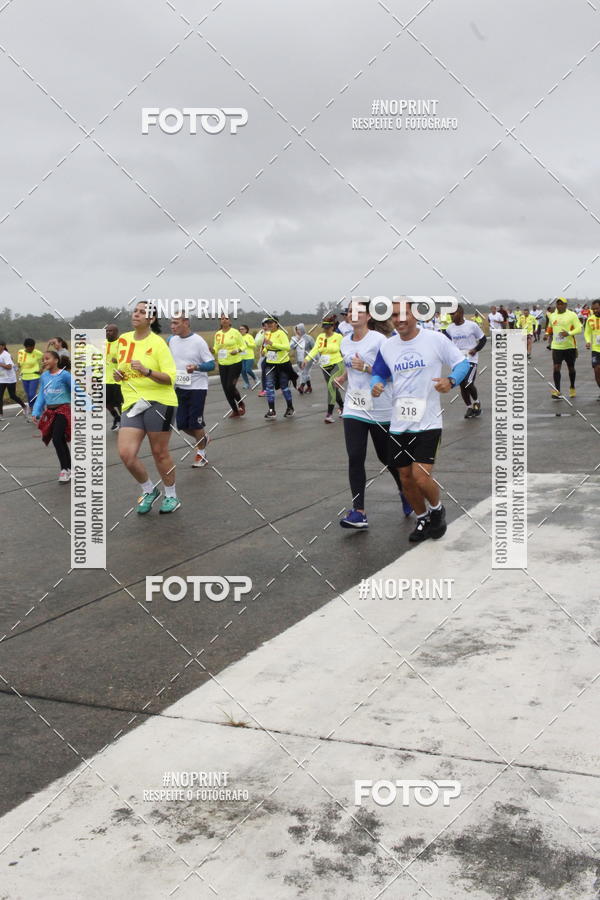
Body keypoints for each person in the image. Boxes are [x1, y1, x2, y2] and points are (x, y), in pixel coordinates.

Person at [371, 300, 471, 543]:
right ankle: (423, 517)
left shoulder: (434, 339)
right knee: (404, 476)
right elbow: (379, 371)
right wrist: (377, 383)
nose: (399, 319)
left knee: (420, 476)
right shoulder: (388, 346)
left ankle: (437, 509)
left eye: (404, 313)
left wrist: (451, 380)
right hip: (399, 422)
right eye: (395, 315)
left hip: (428, 421)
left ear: (416, 315)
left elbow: (462, 363)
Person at [336, 299, 411, 529]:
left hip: (380, 407)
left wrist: (367, 368)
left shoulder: (380, 340)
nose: (352, 314)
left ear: (368, 316)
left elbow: (391, 374)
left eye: (357, 311)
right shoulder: (344, 342)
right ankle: (359, 512)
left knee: (387, 458)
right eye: (349, 311)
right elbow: (351, 365)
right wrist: (344, 376)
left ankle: (406, 491)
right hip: (354, 406)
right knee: (355, 456)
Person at [114, 301, 180, 514]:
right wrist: (119, 375)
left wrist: (147, 371)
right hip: (132, 402)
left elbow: (170, 378)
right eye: (135, 310)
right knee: (126, 453)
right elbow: (122, 370)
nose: (137, 314)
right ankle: (149, 490)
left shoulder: (158, 343)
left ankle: (171, 495)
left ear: (151, 319)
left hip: (159, 401)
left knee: (159, 452)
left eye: (143, 312)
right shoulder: (123, 340)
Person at [169, 314, 215, 466]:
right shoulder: (171, 340)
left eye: (176, 323)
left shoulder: (198, 341)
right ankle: (204, 437)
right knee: (182, 424)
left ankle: (201, 454)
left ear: (186, 323)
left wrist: (197, 367)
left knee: (195, 424)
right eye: (171, 323)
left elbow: (211, 365)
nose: (172, 326)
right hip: (180, 386)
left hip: (197, 387)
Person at [30, 350, 73, 482]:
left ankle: (64, 470)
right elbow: (42, 396)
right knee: (59, 440)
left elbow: (77, 391)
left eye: (47, 358)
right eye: (43, 359)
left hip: (63, 410)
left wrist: (87, 407)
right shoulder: (44, 377)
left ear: (56, 360)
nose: (44, 361)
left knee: (56, 438)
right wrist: (36, 411)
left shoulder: (65, 375)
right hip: (50, 412)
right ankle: (70, 468)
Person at [445, 304, 486, 418]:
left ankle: (477, 402)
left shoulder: (472, 326)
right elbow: (446, 343)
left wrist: (475, 349)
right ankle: (469, 407)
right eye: (450, 314)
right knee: (462, 385)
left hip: (471, 359)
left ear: (461, 313)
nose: (452, 316)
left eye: (454, 313)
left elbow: (483, 339)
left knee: (468, 382)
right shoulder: (449, 328)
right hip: (457, 360)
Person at [302, 317, 344, 423]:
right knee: (333, 388)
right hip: (325, 366)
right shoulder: (320, 337)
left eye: (328, 328)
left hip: (337, 364)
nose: (325, 330)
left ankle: (329, 414)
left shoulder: (338, 337)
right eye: (324, 328)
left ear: (333, 327)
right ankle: (343, 407)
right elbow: (315, 349)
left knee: (331, 385)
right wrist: (306, 359)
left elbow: (345, 350)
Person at [544, 297, 582, 398]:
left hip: (570, 346)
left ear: (566, 305)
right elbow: (550, 327)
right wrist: (547, 334)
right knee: (556, 367)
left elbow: (579, 329)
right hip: (557, 346)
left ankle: (572, 387)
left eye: (561, 304)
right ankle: (557, 390)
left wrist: (568, 333)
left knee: (571, 368)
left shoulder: (572, 315)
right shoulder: (553, 315)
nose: (559, 306)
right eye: (558, 304)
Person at [259, 316, 295, 419]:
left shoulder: (281, 333)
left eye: (271, 322)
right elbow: (266, 347)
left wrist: (273, 343)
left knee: (284, 387)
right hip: (270, 363)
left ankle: (290, 407)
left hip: (282, 363)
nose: (269, 324)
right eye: (267, 323)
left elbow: (287, 347)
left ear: (276, 323)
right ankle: (271, 410)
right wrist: (264, 351)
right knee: (269, 386)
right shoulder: (267, 334)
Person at [213, 314, 246, 417]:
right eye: (222, 319)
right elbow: (216, 348)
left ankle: (240, 403)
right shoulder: (217, 334)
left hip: (235, 363)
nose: (224, 320)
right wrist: (211, 350)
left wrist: (237, 350)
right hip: (223, 364)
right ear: (220, 321)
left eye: (226, 318)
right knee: (225, 389)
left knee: (230, 386)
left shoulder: (235, 332)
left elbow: (243, 345)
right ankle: (235, 410)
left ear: (229, 320)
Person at [17, 338, 43, 419]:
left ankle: (36, 410)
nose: (32, 348)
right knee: (28, 395)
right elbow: (19, 363)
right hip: (24, 376)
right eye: (30, 347)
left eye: (33, 347)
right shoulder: (20, 352)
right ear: (25, 347)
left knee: (32, 394)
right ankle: (33, 410)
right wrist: (18, 366)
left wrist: (42, 369)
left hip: (34, 376)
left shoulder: (37, 353)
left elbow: (46, 360)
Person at [0, 341, 27, 418]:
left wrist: (0, 364)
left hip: (9, 379)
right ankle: (0, 414)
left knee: (12, 395)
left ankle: (24, 406)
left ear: (3, 346)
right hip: (1, 379)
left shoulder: (6, 355)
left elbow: (9, 367)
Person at [105, 324, 123, 431]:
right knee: (105, 402)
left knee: (120, 403)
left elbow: (128, 358)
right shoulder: (103, 344)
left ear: (116, 332)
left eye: (110, 331)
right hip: (105, 379)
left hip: (118, 379)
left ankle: (125, 422)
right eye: (107, 331)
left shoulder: (121, 343)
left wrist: (118, 360)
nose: (108, 333)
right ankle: (116, 417)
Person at [291, 323, 314, 394]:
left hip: (307, 358)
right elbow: (291, 347)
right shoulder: (295, 338)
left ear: (302, 329)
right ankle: (309, 387)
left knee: (304, 372)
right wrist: (296, 340)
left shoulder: (309, 338)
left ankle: (301, 386)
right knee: (303, 373)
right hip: (299, 359)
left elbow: (314, 348)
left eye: (298, 329)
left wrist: (316, 357)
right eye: (296, 330)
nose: (297, 331)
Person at [584, 298, 600, 399]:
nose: (595, 311)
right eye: (593, 309)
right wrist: (588, 342)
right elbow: (587, 332)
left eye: (597, 308)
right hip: (596, 350)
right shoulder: (590, 319)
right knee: (597, 370)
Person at [239, 325, 258, 389]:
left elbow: (254, 345)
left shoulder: (249, 336)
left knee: (248, 370)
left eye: (242, 329)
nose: (241, 330)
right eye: (240, 329)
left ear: (246, 330)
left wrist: (248, 344)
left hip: (249, 357)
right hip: (241, 357)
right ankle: (247, 384)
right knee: (243, 371)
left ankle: (256, 379)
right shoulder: (239, 337)